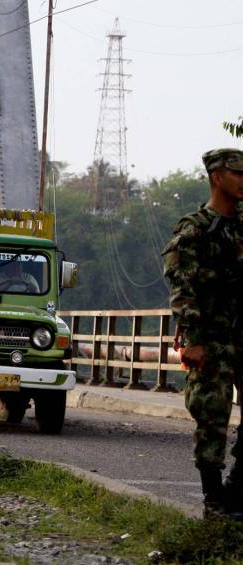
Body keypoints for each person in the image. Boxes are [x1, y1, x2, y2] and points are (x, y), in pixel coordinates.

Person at [162, 148, 243, 519]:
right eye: (237, 174)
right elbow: (182, 286)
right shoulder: (194, 228)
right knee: (212, 417)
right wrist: (192, 339)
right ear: (216, 177)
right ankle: (214, 503)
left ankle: (236, 492)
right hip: (211, 338)